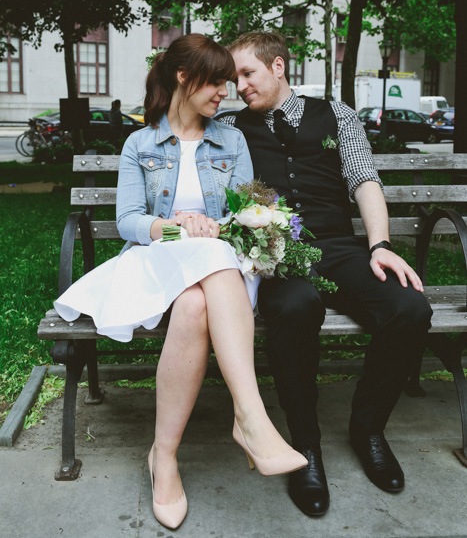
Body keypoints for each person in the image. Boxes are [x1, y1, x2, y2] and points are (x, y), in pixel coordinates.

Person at [54, 33, 306, 530]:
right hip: (157, 260)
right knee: (204, 258)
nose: (225, 95)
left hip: (216, 272)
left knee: (195, 301)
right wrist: (174, 226)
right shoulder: (139, 143)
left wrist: (222, 224)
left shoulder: (231, 140)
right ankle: (250, 418)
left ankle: (163, 457)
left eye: (229, 85)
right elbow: (127, 220)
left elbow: (244, 210)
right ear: (184, 78)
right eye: (217, 83)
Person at [218, 31, 432, 518]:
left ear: (277, 68)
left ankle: (368, 429)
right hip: (278, 253)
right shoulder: (230, 127)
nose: (239, 86)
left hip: (339, 248)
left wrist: (379, 246)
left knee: (410, 308)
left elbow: (364, 180)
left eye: (247, 74)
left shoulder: (337, 115)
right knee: (295, 307)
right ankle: (306, 445)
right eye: (234, 79)